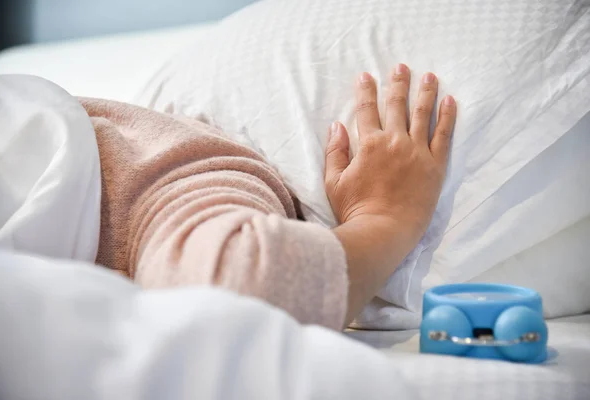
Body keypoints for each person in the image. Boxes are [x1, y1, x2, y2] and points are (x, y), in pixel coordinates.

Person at [84, 63, 456, 330]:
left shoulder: (150, 156)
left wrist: (382, 216)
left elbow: (228, 292)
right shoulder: (140, 155)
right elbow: (232, 294)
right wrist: (385, 217)